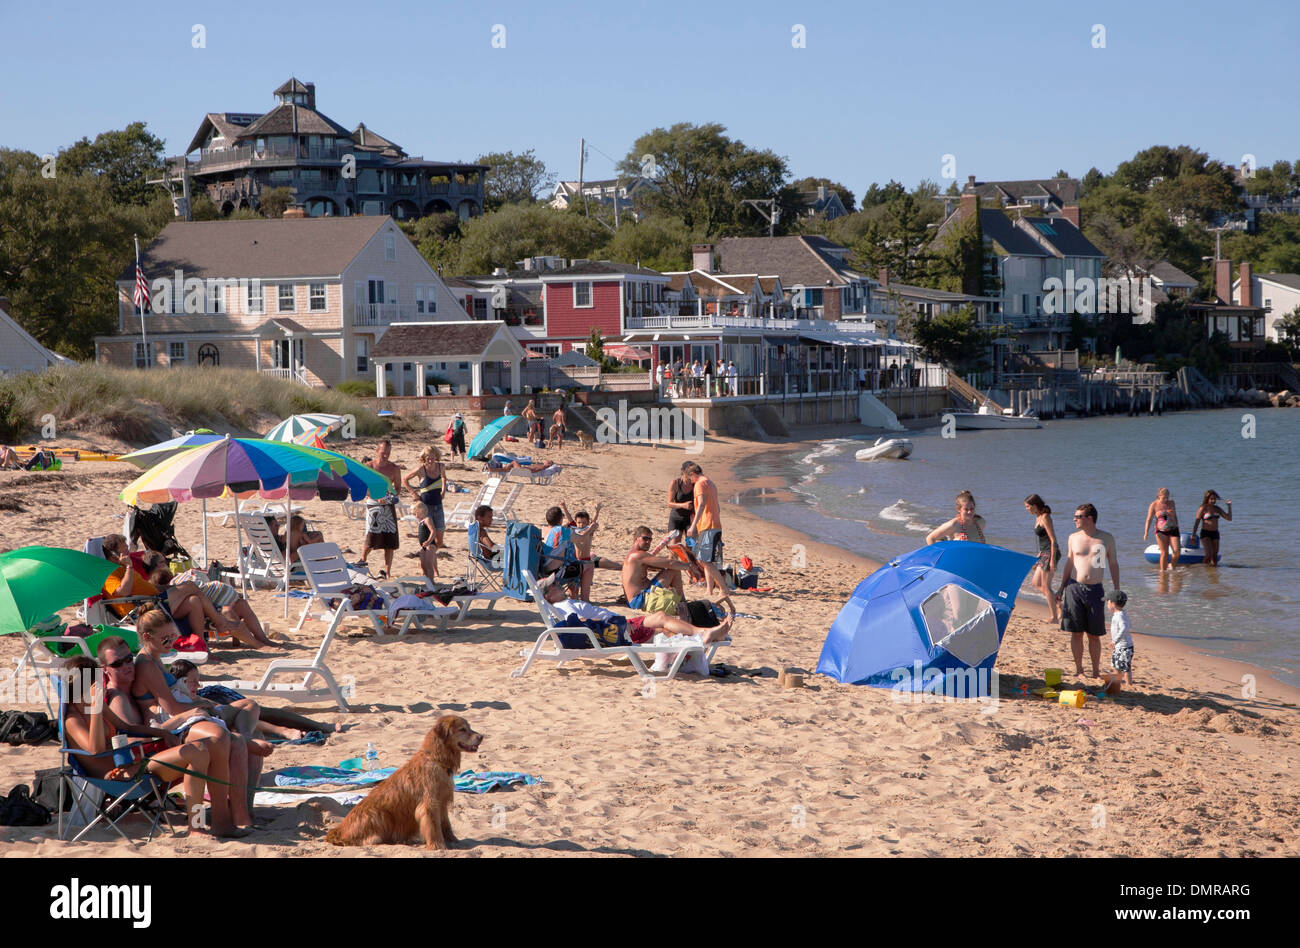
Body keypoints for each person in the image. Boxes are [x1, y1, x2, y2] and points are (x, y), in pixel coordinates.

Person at [95, 635, 253, 837]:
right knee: (200, 750)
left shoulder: (132, 690)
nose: (127, 666)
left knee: (219, 744)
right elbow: (132, 742)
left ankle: (226, 817)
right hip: (136, 767)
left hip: (153, 755)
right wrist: (174, 724)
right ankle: (199, 824)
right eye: (117, 664)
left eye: (129, 659)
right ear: (104, 668)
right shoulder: (117, 698)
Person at [59, 656, 231, 839]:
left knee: (202, 750)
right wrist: (95, 707)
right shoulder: (73, 718)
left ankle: (218, 822)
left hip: (133, 766)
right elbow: (95, 750)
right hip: (117, 779)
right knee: (196, 752)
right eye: (95, 680)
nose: (100, 684)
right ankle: (195, 827)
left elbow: (127, 727)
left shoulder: (94, 706)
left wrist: (164, 733)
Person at [168, 659, 338, 742]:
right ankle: (282, 730)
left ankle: (317, 726)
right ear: (181, 682)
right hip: (210, 710)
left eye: (198, 680)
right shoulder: (175, 699)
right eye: (192, 681)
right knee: (250, 711)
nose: (197, 685)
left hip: (213, 696)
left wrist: (204, 702)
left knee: (259, 711)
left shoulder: (197, 695)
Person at [539, 576, 734, 647]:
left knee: (663, 627)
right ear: (548, 595)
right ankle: (704, 634)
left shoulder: (564, 603)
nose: (559, 584)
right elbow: (579, 622)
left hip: (618, 626)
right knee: (661, 619)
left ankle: (707, 634)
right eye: (554, 584)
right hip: (616, 631)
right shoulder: (563, 607)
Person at [1056, 503, 1121, 679]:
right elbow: (1069, 562)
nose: (1074, 519)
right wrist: (1061, 588)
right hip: (1073, 588)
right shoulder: (1073, 537)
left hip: (1095, 590)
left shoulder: (1106, 538)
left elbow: (1113, 563)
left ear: (1089, 518)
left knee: (1094, 634)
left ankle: (1096, 671)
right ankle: (1079, 670)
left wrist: (1117, 589)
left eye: (1078, 516)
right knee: (1076, 632)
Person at [684, 463, 733, 609]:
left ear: (693, 474)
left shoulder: (699, 484)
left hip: (708, 525)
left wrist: (693, 525)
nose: (690, 481)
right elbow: (716, 506)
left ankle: (724, 588)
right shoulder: (710, 483)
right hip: (715, 524)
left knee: (703, 559)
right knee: (707, 558)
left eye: (689, 478)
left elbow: (701, 505)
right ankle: (709, 589)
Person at [361, 440, 403, 577]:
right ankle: (362, 560)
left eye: (388, 453)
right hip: (373, 504)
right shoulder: (369, 466)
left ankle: (388, 571)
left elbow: (397, 488)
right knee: (371, 536)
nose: (386, 456)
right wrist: (376, 496)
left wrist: (390, 495)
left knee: (389, 539)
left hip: (388, 504)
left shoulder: (394, 468)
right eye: (384, 453)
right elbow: (363, 486)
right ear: (377, 451)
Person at [621, 526, 688, 611]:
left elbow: (660, 565)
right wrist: (689, 566)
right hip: (639, 601)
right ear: (636, 539)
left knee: (669, 570)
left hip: (633, 600)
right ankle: (682, 603)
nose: (648, 542)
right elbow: (669, 563)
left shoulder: (632, 554)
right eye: (645, 538)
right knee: (674, 571)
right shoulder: (638, 555)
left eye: (650, 539)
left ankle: (679, 601)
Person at [403, 445, 446, 566]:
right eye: (428, 457)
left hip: (438, 506)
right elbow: (405, 479)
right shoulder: (421, 469)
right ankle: (425, 561)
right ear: (424, 458)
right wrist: (413, 493)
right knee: (427, 538)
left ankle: (428, 558)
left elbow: (444, 478)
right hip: (425, 509)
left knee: (439, 541)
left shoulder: (441, 466)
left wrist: (443, 491)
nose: (430, 459)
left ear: (436, 456)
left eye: (432, 457)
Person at [542, 505, 593, 600]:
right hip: (555, 572)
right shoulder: (562, 531)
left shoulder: (543, 530)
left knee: (573, 564)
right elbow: (581, 538)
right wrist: (591, 528)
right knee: (588, 566)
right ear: (561, 519)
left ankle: (573, 597)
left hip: (541, 569)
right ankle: (585, 600)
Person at [1024, 494, 1060, 624]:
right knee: (1035, 583)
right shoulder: (1038, 517)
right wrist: (1038, 555)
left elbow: (1053, 540)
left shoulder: (1045, 517)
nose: (1027, 509)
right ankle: (1059, 602)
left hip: (1050, 553)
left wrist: (1053, 560)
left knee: (1046, 585)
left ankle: (1054, 617)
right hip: (1043, 553)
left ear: (1034, 506)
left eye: (1028, 506)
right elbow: (1042, 540)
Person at [1142, 487, 1181, 571]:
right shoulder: (1154, 505)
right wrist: (1146, 533)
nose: (1166, 499)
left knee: (1177, 551)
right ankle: (1163, 572)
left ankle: (1172, 566)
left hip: (1173, 528)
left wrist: (1177, 525)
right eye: (1164, 497)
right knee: (1164, 552)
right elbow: (1149, 519)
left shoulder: (1171, 503)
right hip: (1160, 531)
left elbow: (1175, 515)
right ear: (1159, 496)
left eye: (1168, 497)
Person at [1192, 490, 1232, 566]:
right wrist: (1193, 535)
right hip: (1205, 533)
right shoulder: (1203, 508)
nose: (1213, 501)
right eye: (1211, 499)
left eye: (1214, 499)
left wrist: (1229, 506)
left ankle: (1213, 574)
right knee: (1208, 554)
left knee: (1214, 556)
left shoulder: (1217, 509)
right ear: (1207, 499)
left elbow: (1229, 518)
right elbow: (1197, 522)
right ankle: (1203, 568)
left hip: (1215, 533)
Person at [1106, 590, 1134, 686]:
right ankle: (1114, 683)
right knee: (1116, 665)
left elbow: (1124, 628)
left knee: (1125, 668)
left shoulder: (1120, 616)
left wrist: (1115, 640)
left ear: (1113, 603)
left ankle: (1128, 685)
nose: (1107, 603)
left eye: (1107, 601)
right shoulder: (1120, 614)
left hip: (1124, 646)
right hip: (1119, 646)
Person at [412, 501, 439, 583]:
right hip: (424, 546)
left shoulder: (427, 519)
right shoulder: (420, 522)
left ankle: (431, 581)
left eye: (415, 513)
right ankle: (427, 581)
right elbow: (422, 535)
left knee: (428, 564)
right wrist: (413, 536)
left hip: (430, 545)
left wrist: (428, 541)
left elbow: (433, 531)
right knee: (423, 565)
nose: (414, 515)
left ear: (420, 511)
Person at [470, 505, 503, 569]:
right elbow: (491, 547)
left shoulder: (473, 529)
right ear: (480, 518)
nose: (492, 519)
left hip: (483, 560)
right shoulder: (481, 532)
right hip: (492, 562)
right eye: (489, 517)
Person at [667, 462, 696, 535]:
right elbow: (669, 504)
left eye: (693, 471)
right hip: (676, 517)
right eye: (689, 471)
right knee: (674, 544)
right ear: (683, 471)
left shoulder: (696, 484)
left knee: (691, 544)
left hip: (690, 519)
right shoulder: (675, 483)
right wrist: (683, 505)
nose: (691, 473)